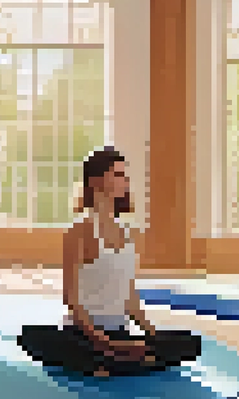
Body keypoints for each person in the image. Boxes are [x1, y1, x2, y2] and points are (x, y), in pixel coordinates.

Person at [17, 147, 202, 377]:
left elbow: (130, 297)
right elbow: (71, 300)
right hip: (85, 334)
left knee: (191, 343)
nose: (125, 181)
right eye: (117, 174)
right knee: (32, 336)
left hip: (119, 334)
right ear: (96, 181)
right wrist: (102, 341)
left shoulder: (128, 233)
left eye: (124, 175)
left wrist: (153, 336)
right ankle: (113, 358)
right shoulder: (78, 232)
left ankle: (106, 362)